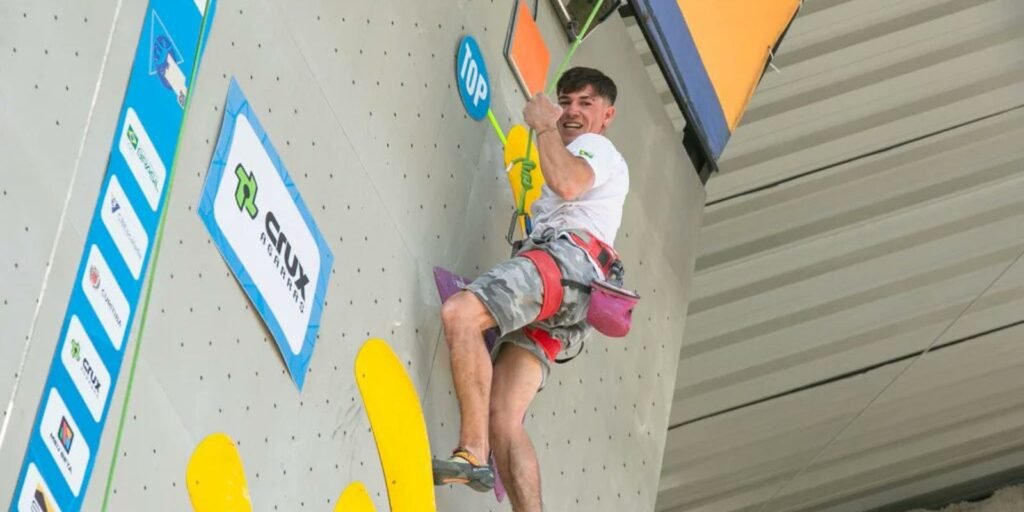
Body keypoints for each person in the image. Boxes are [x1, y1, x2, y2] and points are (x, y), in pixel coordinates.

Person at [433, 67, 629, 511]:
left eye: (586, 103)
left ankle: (471, 453)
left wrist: (543, 125)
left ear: (607, 115)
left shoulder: (595, 148)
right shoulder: (576, 155)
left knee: (461, 314)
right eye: (566, 102)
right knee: (505, 416)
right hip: (576, 293)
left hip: (566, 264)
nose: (572, 111)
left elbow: (568, 182)